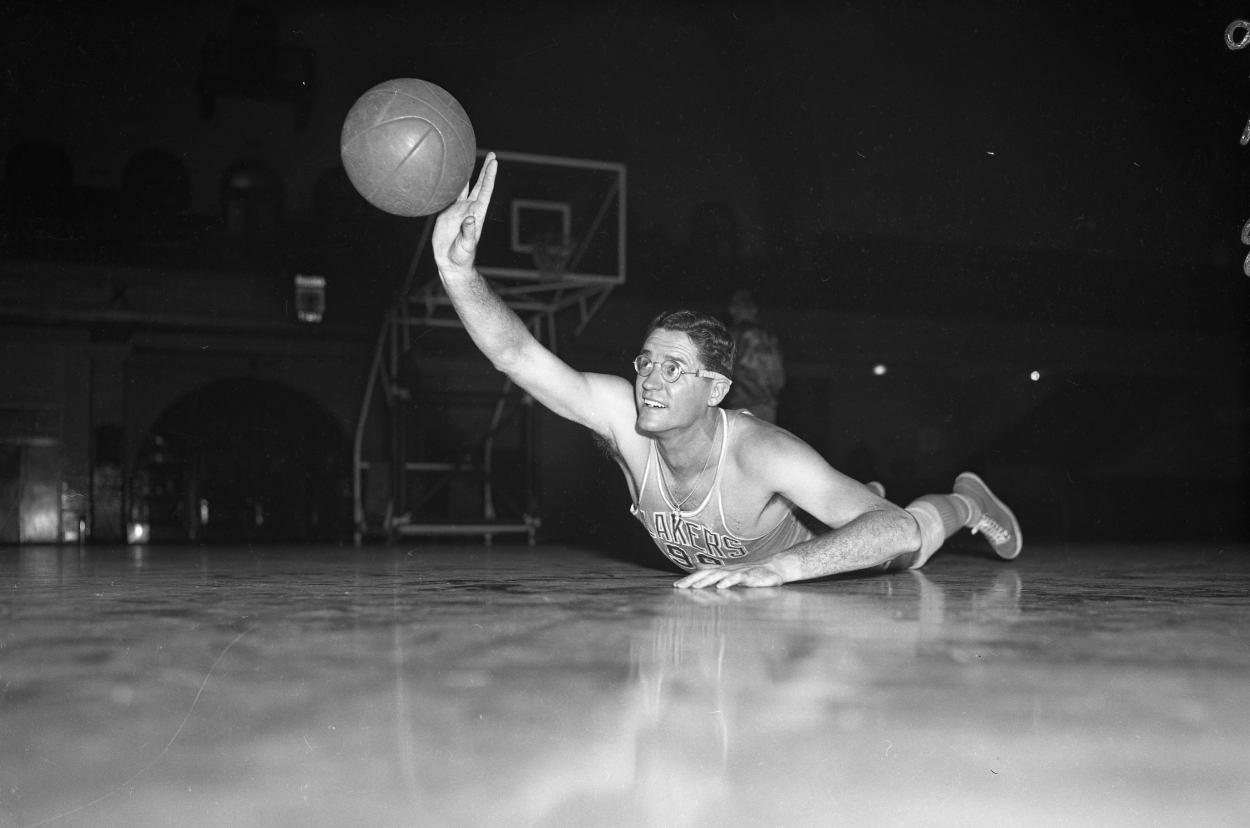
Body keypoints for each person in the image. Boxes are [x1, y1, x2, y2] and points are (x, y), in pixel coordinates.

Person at [432, 154, 1022, 589]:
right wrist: (459, 275)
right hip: (756, 552)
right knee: (860, 504)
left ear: (715, 389)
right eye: (645, 362)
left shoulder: (759, 452)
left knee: (908, 545)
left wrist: (783, 567)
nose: (650, 380)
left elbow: (890, 530)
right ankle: (855, 493)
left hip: (815, 544)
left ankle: (968, 504)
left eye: (674, 368)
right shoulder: (624, 418)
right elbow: (518, 357)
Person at [725, 290, 784, 423]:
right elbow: (780, 378)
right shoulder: (769, 336)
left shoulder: (732, 334)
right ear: (754, 309)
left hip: (742, 402)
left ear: (732, 309)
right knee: (764, 442)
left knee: (742, 442)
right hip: (768, 404)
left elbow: (722, 368)